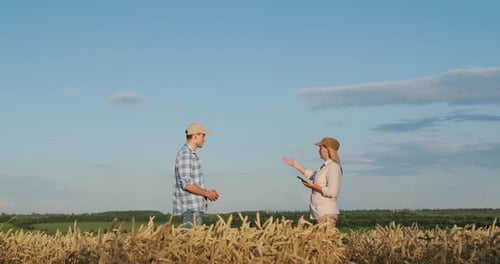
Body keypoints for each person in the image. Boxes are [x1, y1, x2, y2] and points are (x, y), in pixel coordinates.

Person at [282, 137, 343, 227]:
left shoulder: (333, 167)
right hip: (318, 214)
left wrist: (312, 186)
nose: (319, 150)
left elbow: (332, 192)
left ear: (328, 150)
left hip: (326, 214)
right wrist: (295, 164)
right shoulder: (324, 167)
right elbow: (311, 175)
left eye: (321, 148)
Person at [173, 122, 219, 228]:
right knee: (190, 243)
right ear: (195, 136)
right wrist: (206, 193)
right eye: (203, 135)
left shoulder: (191, 155)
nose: (205, 139)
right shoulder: (186, 154)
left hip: (193, 210)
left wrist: (206, 192)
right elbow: (186, 184)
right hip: (190, 210)